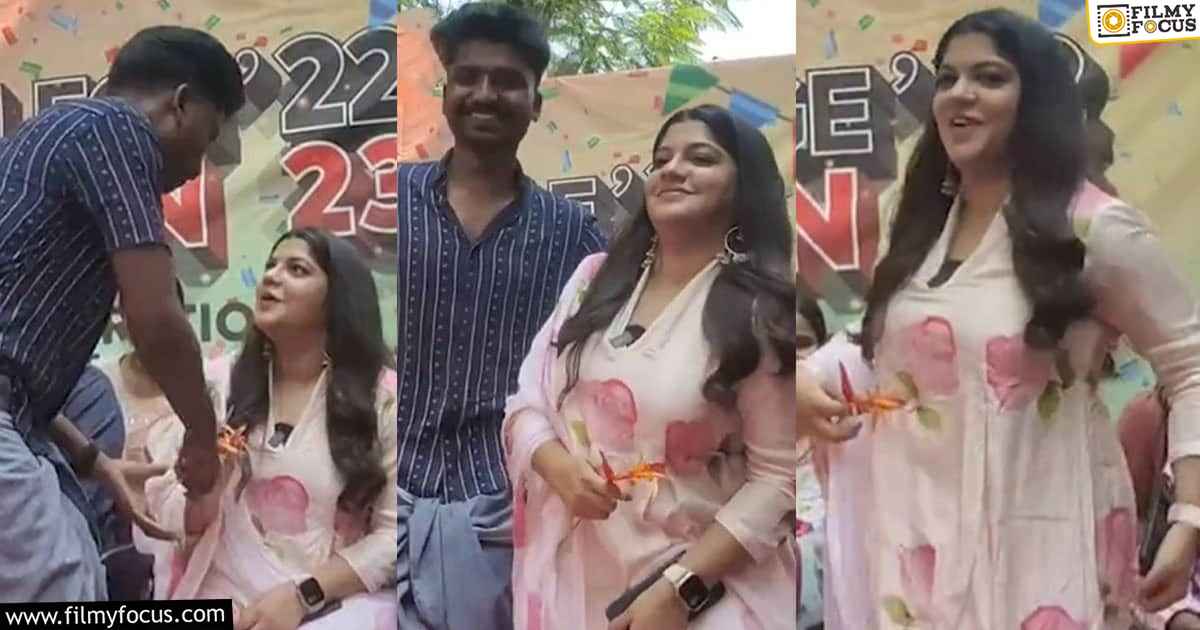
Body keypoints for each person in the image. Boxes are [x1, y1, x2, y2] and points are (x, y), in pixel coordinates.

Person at [797, 9, 1200, 629]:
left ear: (1036, 99)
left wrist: (1189, 516)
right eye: (947, 78)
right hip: (916, 552)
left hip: (1043, 548)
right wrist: (802, 377)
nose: (960, 93)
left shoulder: (1093, 227)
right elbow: (885, 351)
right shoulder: (921, 230)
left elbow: (1190, 364)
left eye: (989, 77)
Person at [503, 104, 797, 630]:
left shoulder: (759, 311)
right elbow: (526, 402)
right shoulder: (594, 281)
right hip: (578, 575)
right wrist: (559, 468)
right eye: (662, 160)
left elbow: (779, 479)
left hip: (702, 589)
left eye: (700, 158)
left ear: (744, 185)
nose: (673, 169)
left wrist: (679, 590)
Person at [0, 25, 241, 601]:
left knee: (81, 575)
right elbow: (154, 318)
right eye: (208, 137)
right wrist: (202, 438)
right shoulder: (116, 129)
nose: (198, 166)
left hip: (20, 419)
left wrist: (92, 460)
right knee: (60, 595)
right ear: (180, 104)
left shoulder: (51, 136)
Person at [396, 4, 606, 629]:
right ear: (446, 93)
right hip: (380, 502)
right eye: (468, 77)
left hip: (506, 514)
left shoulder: (574, 235)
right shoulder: (388, 202)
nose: (485, 94)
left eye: (508, 81)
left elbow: (591, 371)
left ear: (536, 102)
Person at [142, 228, 396, 628]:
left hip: (327, 602)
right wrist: (203, 488)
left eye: (297, 269)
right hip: (221, 594)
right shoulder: (219, 387)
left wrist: (303, 596)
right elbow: (169, 519)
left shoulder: (381, 401)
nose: (272, 277)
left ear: (337, 299)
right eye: (270, 266)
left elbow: (395, 535)